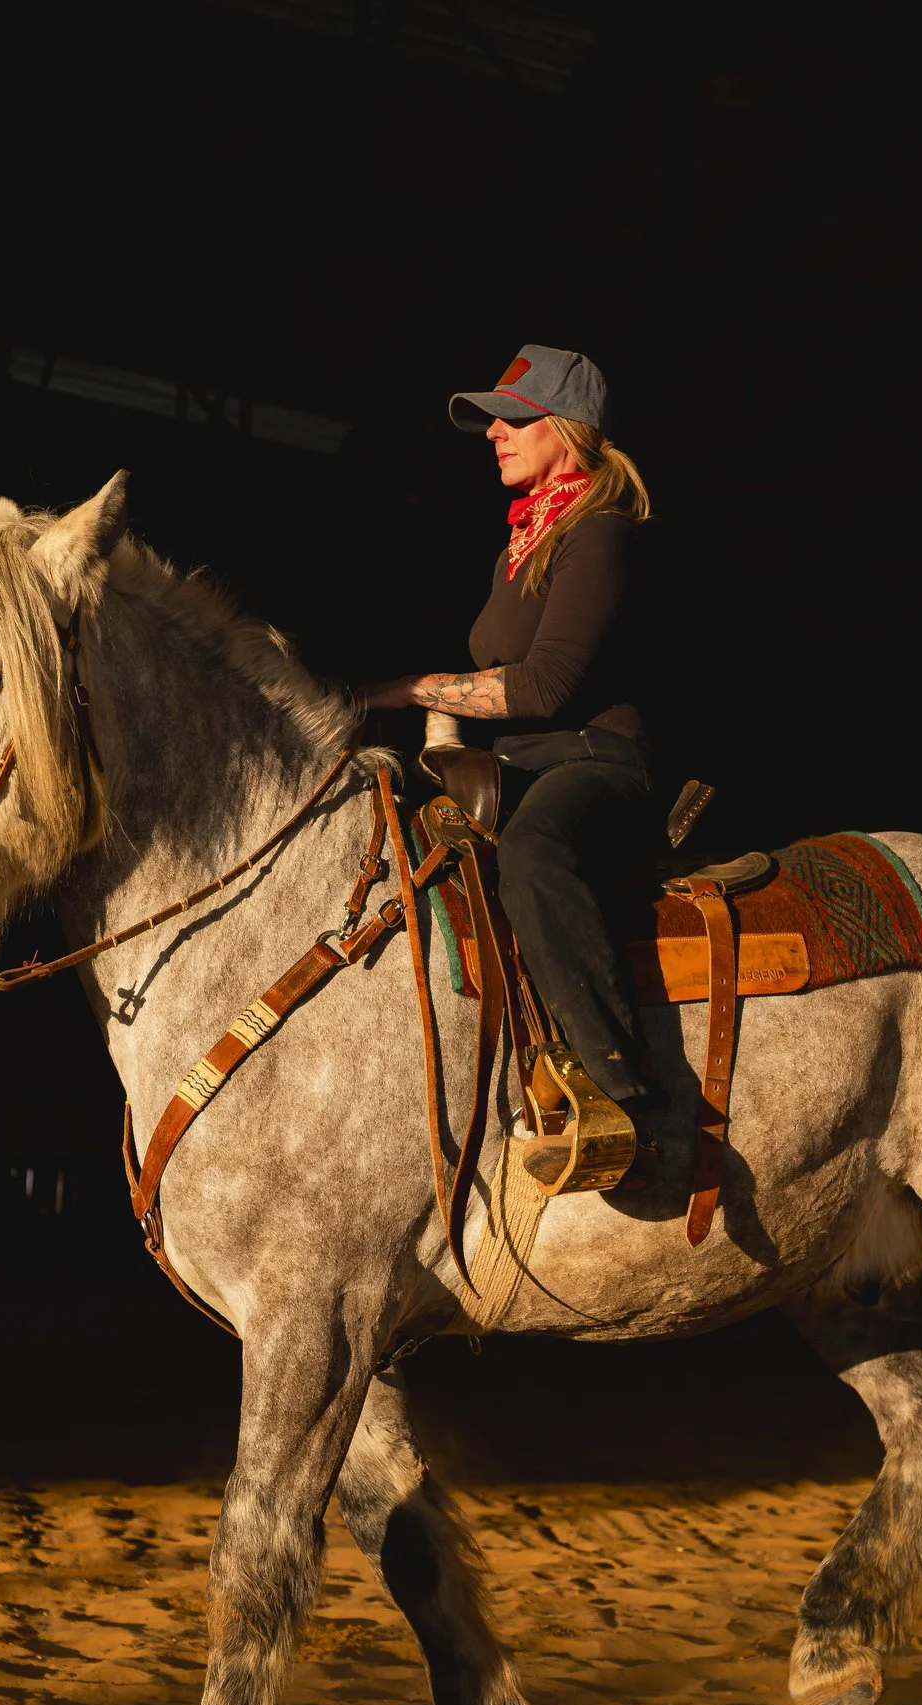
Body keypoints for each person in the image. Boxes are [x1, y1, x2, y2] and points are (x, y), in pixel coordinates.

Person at [361, 343, 659, 1188]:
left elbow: (543, 685)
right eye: (493, 420)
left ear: (570, 431)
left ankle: (620, 1097)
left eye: (513, 419)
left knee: (532, 856)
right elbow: (491, 688)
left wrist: (406, 689)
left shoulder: (600, 531)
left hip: (600, 760)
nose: (493, 433)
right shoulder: (518, 547)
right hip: (518, 763)